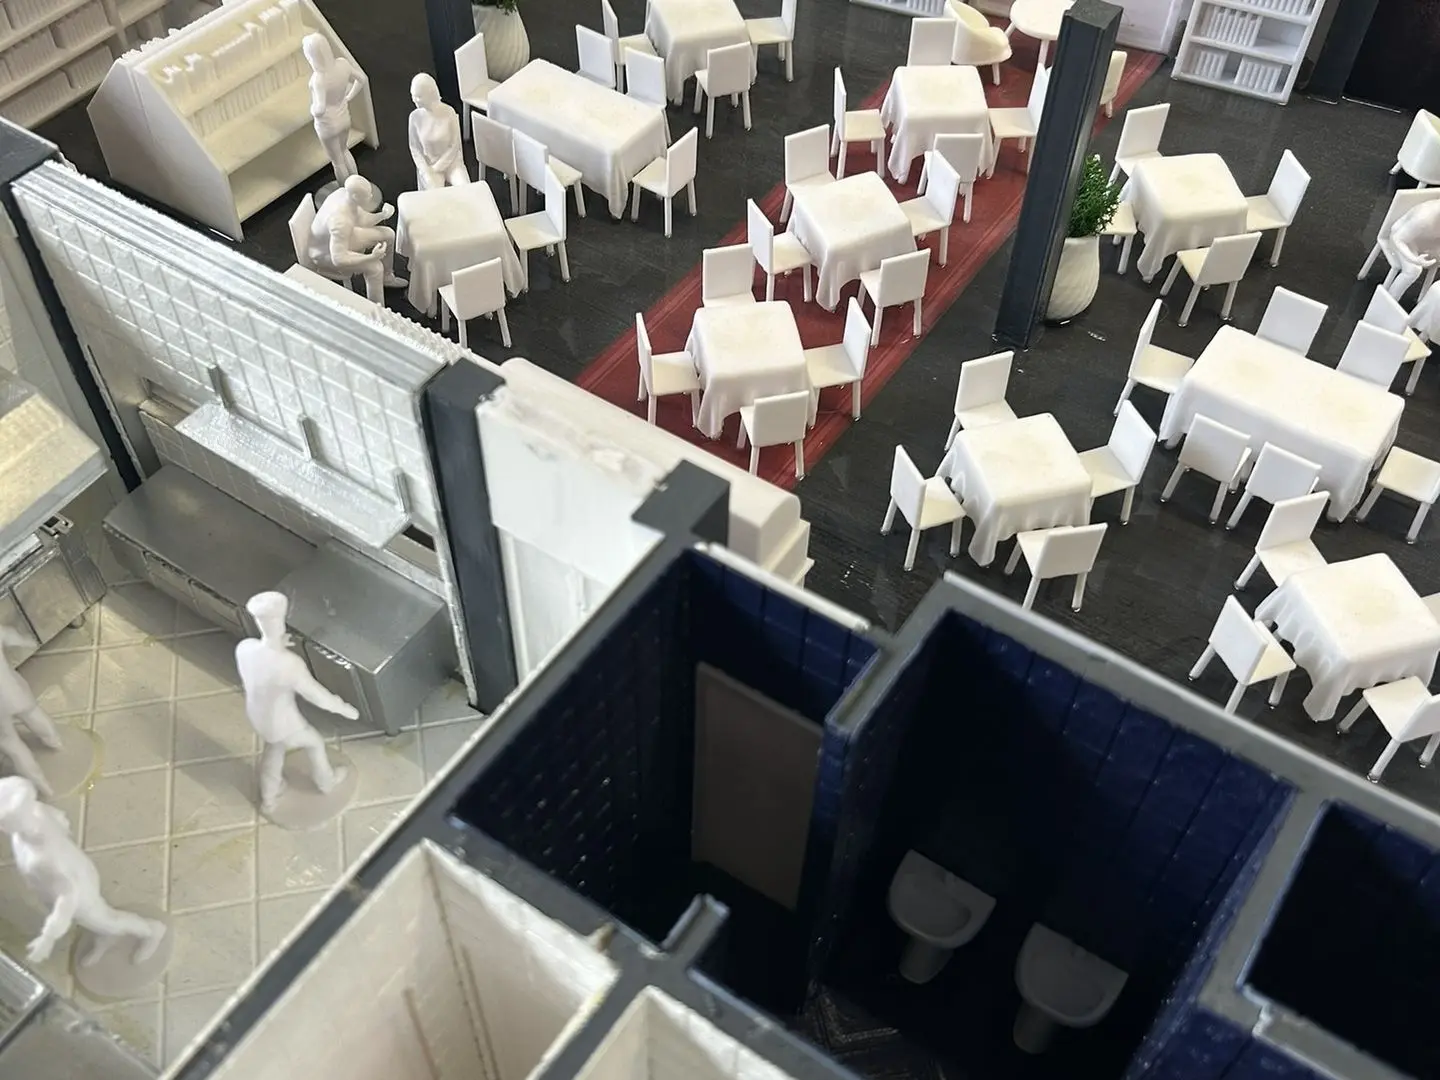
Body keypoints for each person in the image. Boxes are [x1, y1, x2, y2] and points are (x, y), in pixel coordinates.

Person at [0, 776, 167, 967]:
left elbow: (68, 895)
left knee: (109, 920)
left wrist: (49, 935)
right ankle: (105, 935)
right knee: (95, 921)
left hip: (79, 893)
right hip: (73, 872)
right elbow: (61, 820)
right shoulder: (36, 812)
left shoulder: (44, 857)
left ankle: (151, 930)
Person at [235, 592, 356, 814]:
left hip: (257, 716)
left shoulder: (245, 648)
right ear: (281, 625)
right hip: (283, 723)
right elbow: (317, 696)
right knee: (314, 743)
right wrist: (344, 709)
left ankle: (269, 797)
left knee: (274, 750)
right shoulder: (290, 664)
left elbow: (264, 670)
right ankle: (326, 782)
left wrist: (276, 645)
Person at [308, 176, 407, 304]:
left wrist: (382, 215)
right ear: (355, 196)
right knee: (375, 267)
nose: (371, 197)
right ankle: (376, 308)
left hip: (338, 239)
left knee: (388, 234)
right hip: (325, 254)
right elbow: (339, 259)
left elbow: (361, 219)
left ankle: (387, 278)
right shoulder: (340, 221)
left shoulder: (343, 194)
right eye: (367, 195)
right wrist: (371, 257)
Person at [0, 625, 62, 798]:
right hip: (12, 690)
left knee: (11, 744)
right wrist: (29, 641)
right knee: (32, 714)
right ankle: (54, 741)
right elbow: (16, 638)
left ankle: (42, 785)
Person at [303, 33, 366, 186]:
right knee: (345, 151)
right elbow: (361, 79)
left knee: (337, 161)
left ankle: (346, 192)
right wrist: (349, 97)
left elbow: (320, 109)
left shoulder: (318, 79)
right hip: (344, 117)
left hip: (328, 126)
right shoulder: (343, 64)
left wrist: (312, 109)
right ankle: (358, 185)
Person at [408, 73, 470, 191]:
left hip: (452, 163)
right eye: (413, 95)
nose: (414, 100)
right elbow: (415, 149)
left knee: (466, 188)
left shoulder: (449, 112)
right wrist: (425, 170)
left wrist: (439, 166)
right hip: (430, 166)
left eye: (419, 96)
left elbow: (454, 145)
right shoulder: (414, 118)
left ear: (430, 93)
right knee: (436, 194)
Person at [1386, 199, 1440, 299]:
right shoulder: (1424, 218)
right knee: (1413, 270)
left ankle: (1427, 303)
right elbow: (1398, 238)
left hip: (1428, 240)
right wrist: (1414, 259)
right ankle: (1389, 299)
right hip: (1404, 240)